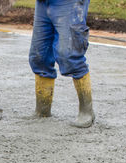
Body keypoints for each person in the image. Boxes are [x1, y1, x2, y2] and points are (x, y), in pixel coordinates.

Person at [28, 0, 94, 128]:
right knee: (39, 56)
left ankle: (87, 111)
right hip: (43, 3)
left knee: (69, 54)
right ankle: (42, 110)